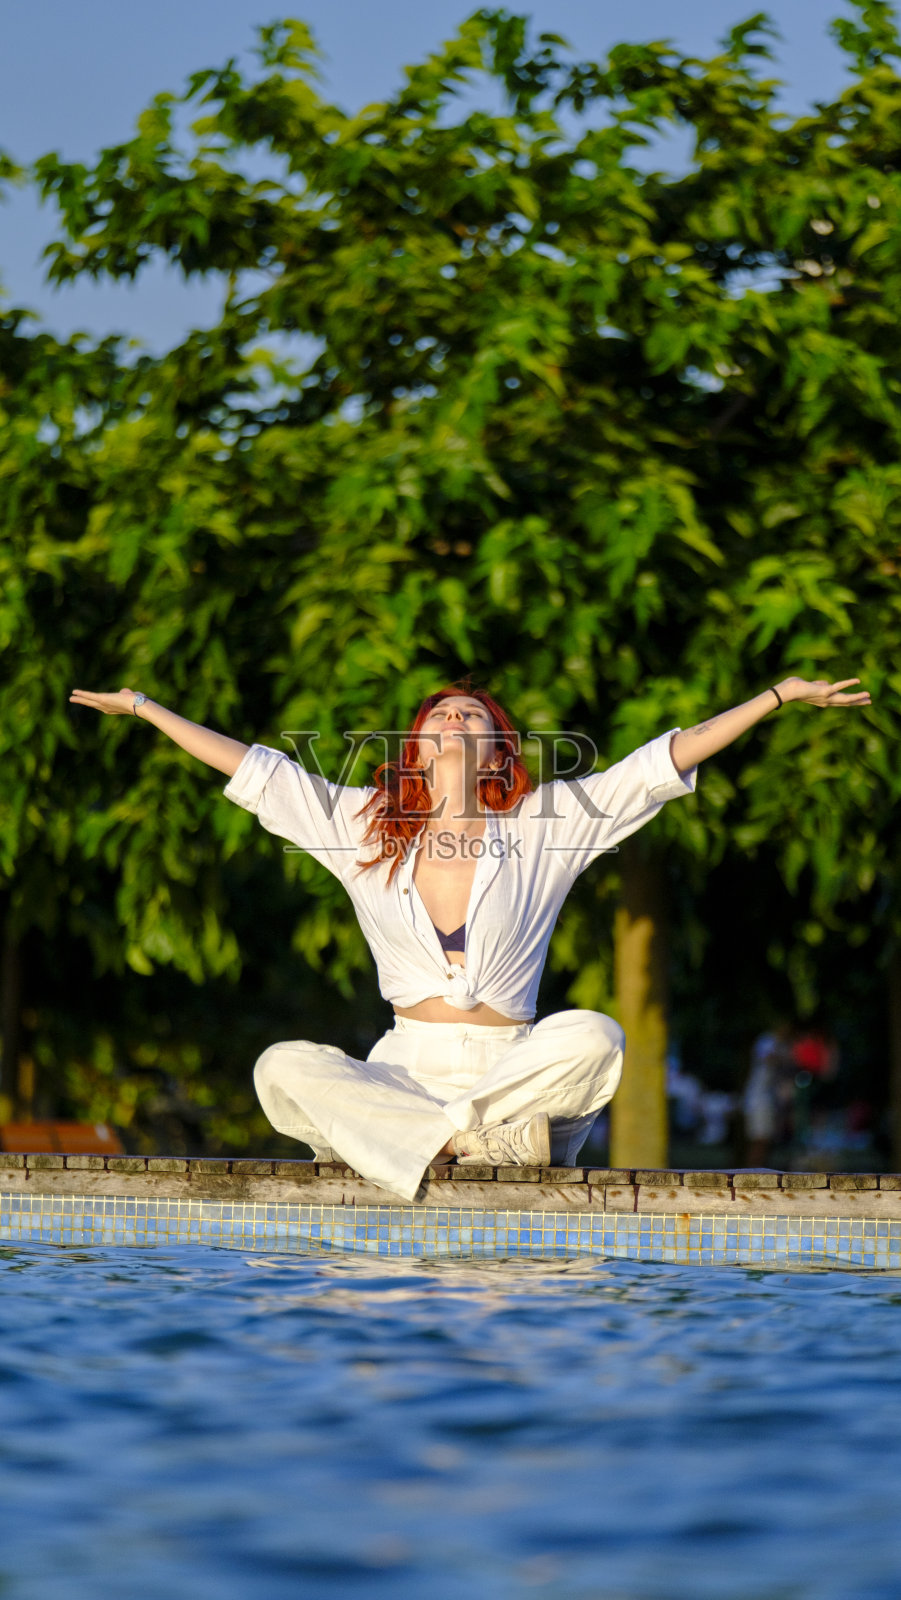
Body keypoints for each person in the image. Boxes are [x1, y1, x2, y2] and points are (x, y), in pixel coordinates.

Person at [70, 674, 871, 1201]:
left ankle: (414, 1146)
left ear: (496, 750)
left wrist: (775, 697)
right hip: (404, 1071)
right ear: (415, 749)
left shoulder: (545, 822)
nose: (454, 720)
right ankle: (459, 1141)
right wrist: (144, 708)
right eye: (439, 715)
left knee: (595, 1035)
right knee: (280, 1066)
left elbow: (655, 764)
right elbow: (256, 770)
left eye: (472, 715)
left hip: (512, 1074)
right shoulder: (360, 825)